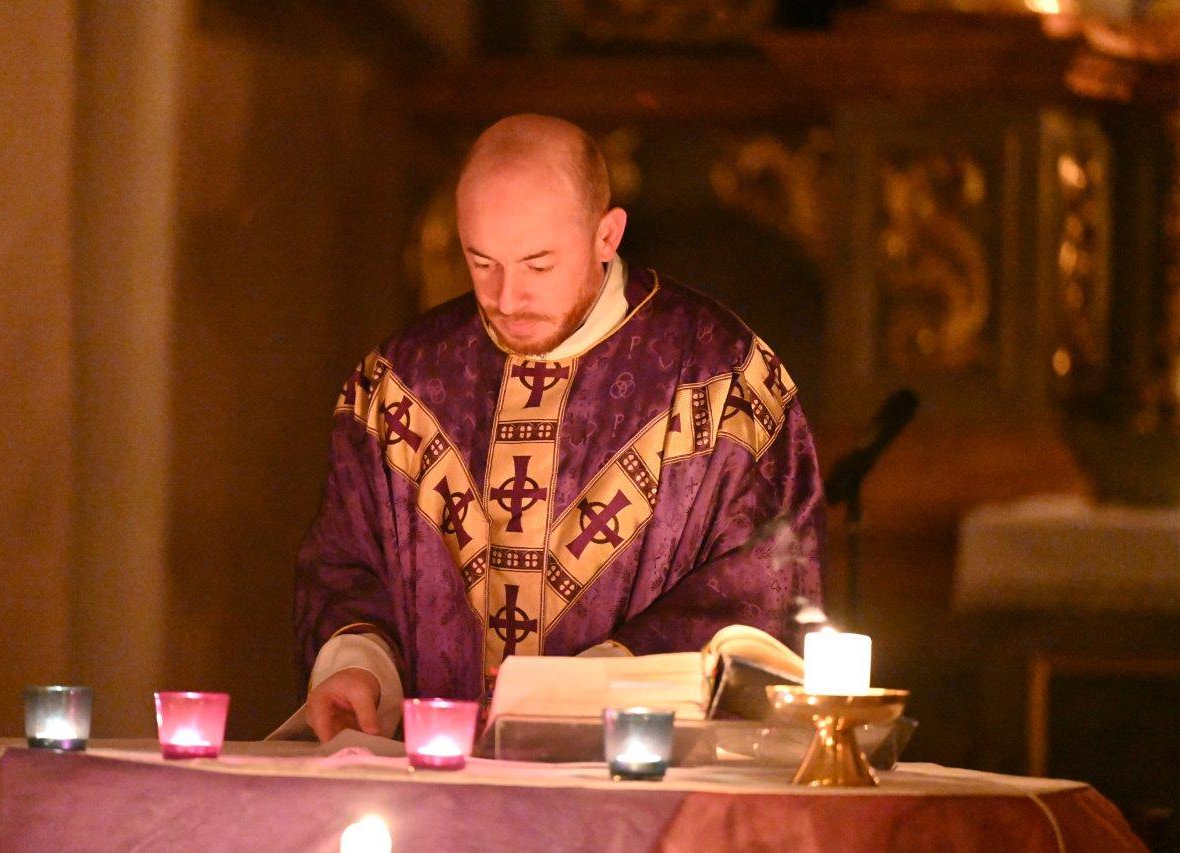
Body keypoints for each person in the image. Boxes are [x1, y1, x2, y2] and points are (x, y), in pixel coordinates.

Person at [288, 114, 824, 743]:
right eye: (482, 262)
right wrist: (358, 666)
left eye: (538, 265)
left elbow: (765, 585)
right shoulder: (400, 382)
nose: (507, 297)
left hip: (638, 770)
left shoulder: (723, 378)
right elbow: (346, 561)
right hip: (437, 772)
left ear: (607, 235)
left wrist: (595, 685)